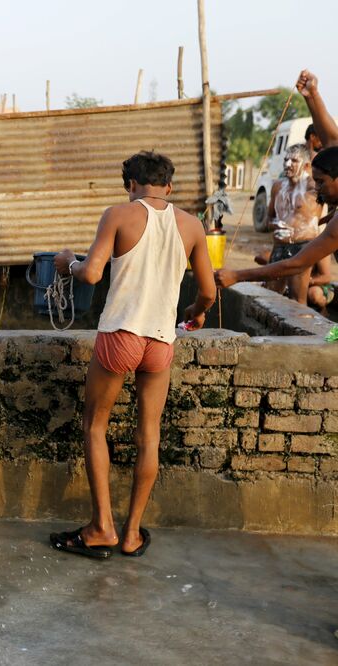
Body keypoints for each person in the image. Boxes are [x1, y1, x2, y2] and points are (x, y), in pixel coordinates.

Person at [49, 151, 216, 558]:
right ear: (169, 187)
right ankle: (132, 534)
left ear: (130, 185)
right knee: (149, 436)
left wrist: (67, 262)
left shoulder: (119, 215)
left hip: (121, 334)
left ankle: (101, 527)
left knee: (94, 427)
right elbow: (208, 293)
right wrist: (194, 314)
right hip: (161, 340)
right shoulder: (192, 225)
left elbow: (91, 273)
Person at [217, 72, 338, 292]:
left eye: (321, 183)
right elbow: (333, 142)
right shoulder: (279, 187)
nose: (318, 190)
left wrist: (237, 274)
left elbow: (297, 264)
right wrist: (312, 97)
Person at [260, 143, 322, 304]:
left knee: (297, 300)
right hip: (279, 247)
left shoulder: (315, 187)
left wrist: (297, 232)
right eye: (286, 160)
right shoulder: (277, 187)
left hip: (303, 248)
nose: (288, 164)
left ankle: (303, 329)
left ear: (307, 165)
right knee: (270, 297)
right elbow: (268, 220)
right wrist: (277, 225)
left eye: (294, 160)